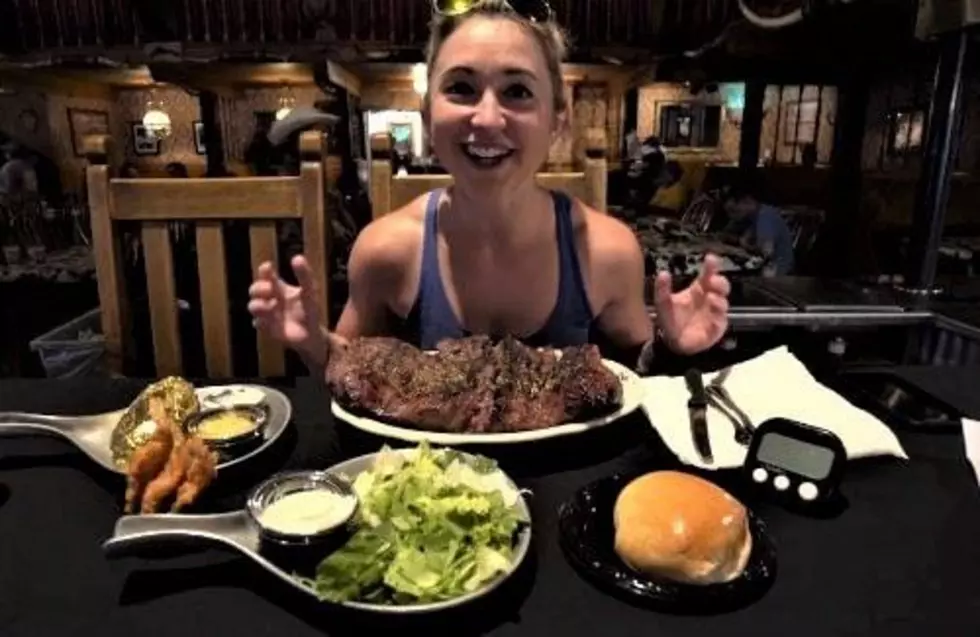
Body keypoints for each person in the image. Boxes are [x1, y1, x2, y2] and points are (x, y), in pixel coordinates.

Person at [248, 0, 731, 376]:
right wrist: (314, 342)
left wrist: (671, 346)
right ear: (427, 112)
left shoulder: (607, 250)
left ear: (557, 120)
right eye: (460, 88)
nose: (486, 118)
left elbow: (634, 374)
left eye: (518, 91)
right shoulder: (386, 250)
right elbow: (352, 373)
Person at [722, 178, 795, 275]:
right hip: (764, 267)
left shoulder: (765, 216)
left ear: (747, 201)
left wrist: (740, 246)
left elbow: (766, 251)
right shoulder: (753, 216)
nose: (732, 216)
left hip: (775, 272)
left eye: (734, 211)